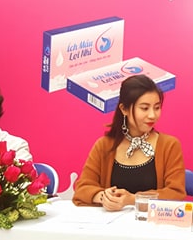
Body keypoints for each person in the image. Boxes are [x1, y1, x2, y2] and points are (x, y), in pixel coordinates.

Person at [73, 74, 186, 211]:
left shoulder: (169, 145)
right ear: (124, 109)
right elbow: (82, 188)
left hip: (150, 223)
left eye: (157, 107)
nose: (152, 115)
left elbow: (176, 194)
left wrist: (132, 200)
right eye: (144, 108)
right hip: (110, 223)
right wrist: (103, 197)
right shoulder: (104, 145)